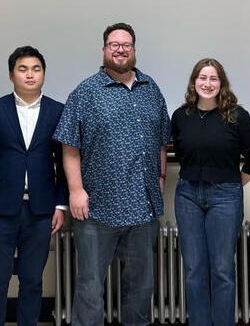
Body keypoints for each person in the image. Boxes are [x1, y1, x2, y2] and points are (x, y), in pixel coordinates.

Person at [53, 22, 171, 326]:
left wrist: (159, 179)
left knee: (141, 286)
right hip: (97, 209)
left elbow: (161, 141)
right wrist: (76, 190)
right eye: (114, 44)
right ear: (104, 49)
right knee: (91, 286)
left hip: (144, 208)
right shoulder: (86, 92)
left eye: (126, 44)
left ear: (133, 50)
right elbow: (69, 146)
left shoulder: (151, 89)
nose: (121, 49)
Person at [0, 46, 67, 326]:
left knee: (32, 282)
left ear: (44, 74)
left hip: (40, 211)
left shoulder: (57, 111)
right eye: (23, 69)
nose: (30, 75)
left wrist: (60, 204)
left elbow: (64, 164)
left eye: (36, 69)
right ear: (11, 74)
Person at [171, 58, 250, 325]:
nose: (207, 83)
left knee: (222, 269)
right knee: (193, 270)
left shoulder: (237, 116)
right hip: (187, 196)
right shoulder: (181, 116)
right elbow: (176, 150)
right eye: (202, 77)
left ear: (221, 83)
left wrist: (235, 183)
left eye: (213, 79)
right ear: (194, 82)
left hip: (225, 197)